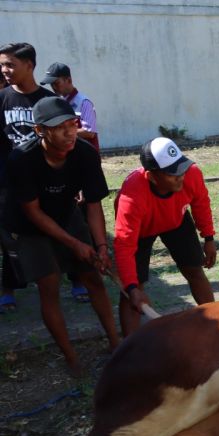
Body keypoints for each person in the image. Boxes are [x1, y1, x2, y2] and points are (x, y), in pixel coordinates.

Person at [1, 96, 118, 374]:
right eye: (60, 127)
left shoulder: (86, 153)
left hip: (68, 216)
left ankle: (116, 343)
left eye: (72, 124)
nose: (69, 133)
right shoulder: (22, 159)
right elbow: (32, 212)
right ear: (40, 131)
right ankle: (71, 357)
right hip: (30, 227)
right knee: (49, 286)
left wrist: (100, 245)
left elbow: (93, 204)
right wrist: (74, 244)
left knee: (93, 278)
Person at [114, 137, 216, 336]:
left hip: (176, 219)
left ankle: (215, 326)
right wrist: (132, 287)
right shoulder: (132, 197)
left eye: (181, 167)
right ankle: (127, 348)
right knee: (132, 289)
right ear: (152, 177)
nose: (181, 176)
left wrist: (209, 238)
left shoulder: (191, 174)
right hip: (141, 231)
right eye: (173, 173)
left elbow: (201, 203)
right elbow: (124, 245)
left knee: (194, 269)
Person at [1, 42, 57, 312]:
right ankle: (9, 286)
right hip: (8, 183)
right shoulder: (2, 99)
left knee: (53, 231)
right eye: (2, 65)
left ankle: (73, 278)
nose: (5, 70)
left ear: (30, 66)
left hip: (44, 183)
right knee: (9, 237)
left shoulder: (46, 102)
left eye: (10, 64)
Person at [42, 61, 100, 303]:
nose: (55, 88)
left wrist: (62, 129)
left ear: (68, 79)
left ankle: (90, 268)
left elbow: (91, 131)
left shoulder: (83, 102)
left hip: (83, 167)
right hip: (63, 167)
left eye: (57, 83)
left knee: (84, 220)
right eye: (52, 85)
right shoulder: (57, 103)